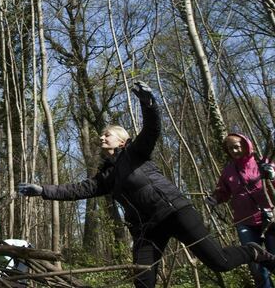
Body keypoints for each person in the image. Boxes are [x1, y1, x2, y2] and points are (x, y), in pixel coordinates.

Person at [18, 81, 275, 288]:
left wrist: (148, 103)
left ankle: (252, 251)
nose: (101, 137)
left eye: (106, 134)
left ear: (122, 141)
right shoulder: (106, 176)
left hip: (174, 211)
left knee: (219, 262)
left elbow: (151, 130)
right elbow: (77, 190)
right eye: (101, 135)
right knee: (142, 279)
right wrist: (44, 191)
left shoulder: (136, 152)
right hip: (146, 230)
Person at [207, 133, 275, 287]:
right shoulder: (229, 171)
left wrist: (271, 175)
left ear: (246, 145)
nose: (234, 150)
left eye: (237, 146)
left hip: (270, 218)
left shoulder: (262, 162)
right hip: (245, 222)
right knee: (256, 262)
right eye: (230, 148)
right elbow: (222, 191)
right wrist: (215, 199)